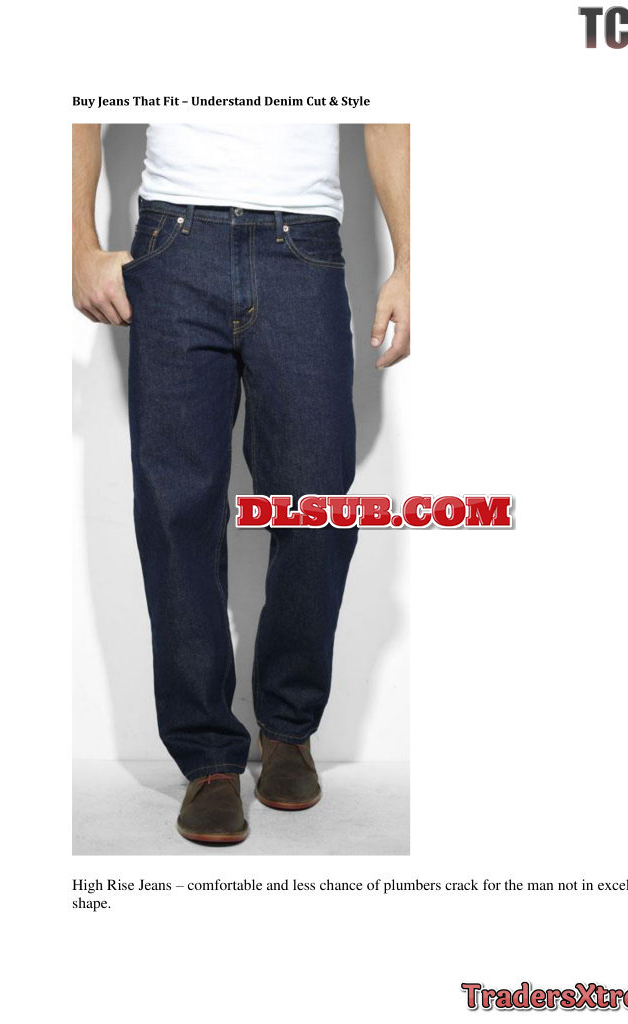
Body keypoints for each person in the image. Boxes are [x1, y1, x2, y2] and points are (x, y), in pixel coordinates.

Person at [72, 123, 410, 844]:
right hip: (173, 238)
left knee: (316, 503)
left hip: (303, 244)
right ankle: (208, 760)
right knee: (176, 510)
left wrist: (412, 260)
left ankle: (287, 730)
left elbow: (389, 113)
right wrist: (78, 244)